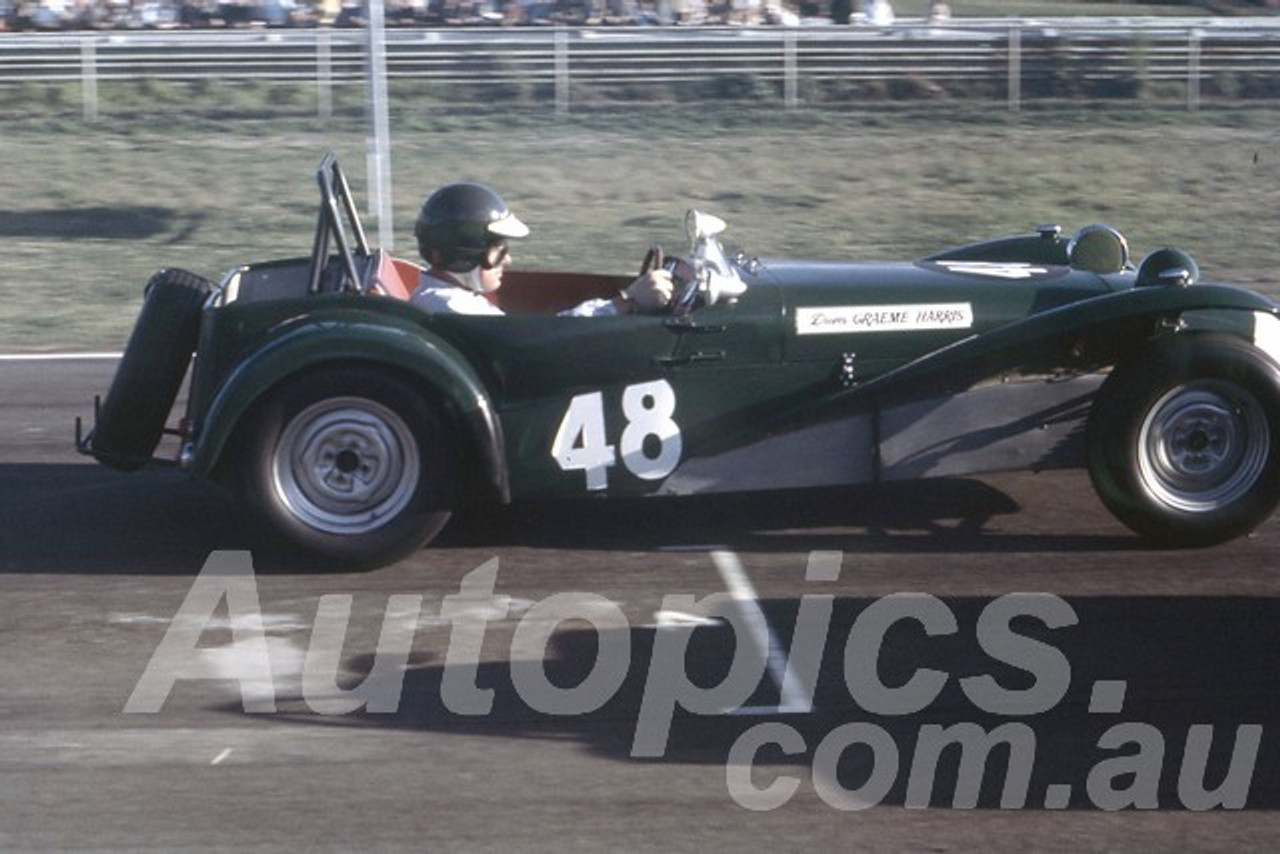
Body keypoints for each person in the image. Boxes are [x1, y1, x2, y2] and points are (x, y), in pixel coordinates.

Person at [410, 181, 673, 317]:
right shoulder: (451, 307)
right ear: (465, 251)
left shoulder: (445, 298)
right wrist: (626, 303)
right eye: (499, 248)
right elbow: (536, 339)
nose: (508, 259)